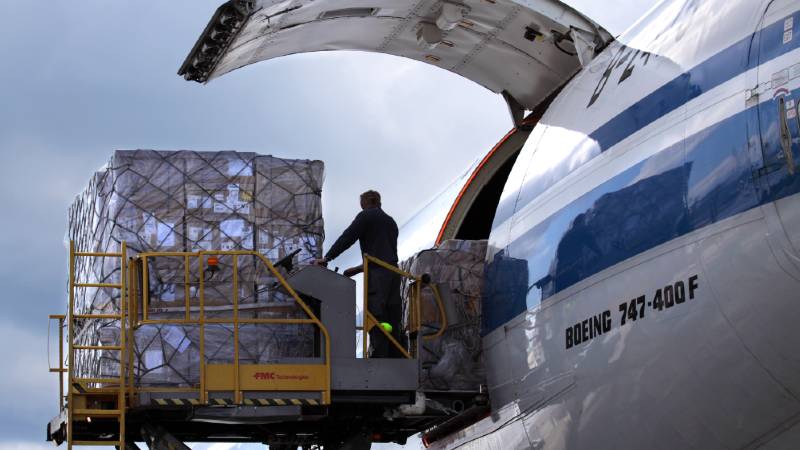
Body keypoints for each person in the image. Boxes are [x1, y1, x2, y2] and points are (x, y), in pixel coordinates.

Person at [316, 190, 404, 358]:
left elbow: (347, 237)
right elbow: (382, 256)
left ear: (365, 203)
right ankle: (397, 357)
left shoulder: (366, 216)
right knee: (392, 317)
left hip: (378, 278)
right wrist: (356, 270)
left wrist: (327, 257)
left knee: (377, 315)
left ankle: (379, 358)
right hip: (393, 274)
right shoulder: (391, 222)